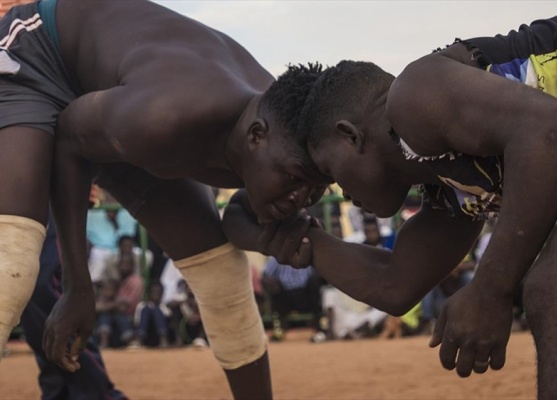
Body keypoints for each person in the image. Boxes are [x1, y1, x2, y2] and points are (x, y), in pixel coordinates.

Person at [224, 1, 557, 398]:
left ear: (349, 135)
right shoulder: (450, 189)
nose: (343, 194)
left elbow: (553, 132)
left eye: (333, 173)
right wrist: (301, 242)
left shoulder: (413, 97)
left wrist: (491, 289)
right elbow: (394, 283)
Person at [0, 1, 327, 398]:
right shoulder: (169, 117)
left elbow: (243, 218)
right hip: (41, 54)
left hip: (116, 103)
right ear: (255, 137)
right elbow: (72, 135)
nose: (300, 199)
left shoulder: (284, 132)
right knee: (10, 261)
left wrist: (268, 233)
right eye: (295, 181)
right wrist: (77, 287)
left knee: (223, 273)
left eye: (312, 189)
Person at [19, 214, 126, 399]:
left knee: (43, 287)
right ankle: (58, 391)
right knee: (28, 296)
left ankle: (97, 394)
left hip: (36, 199)